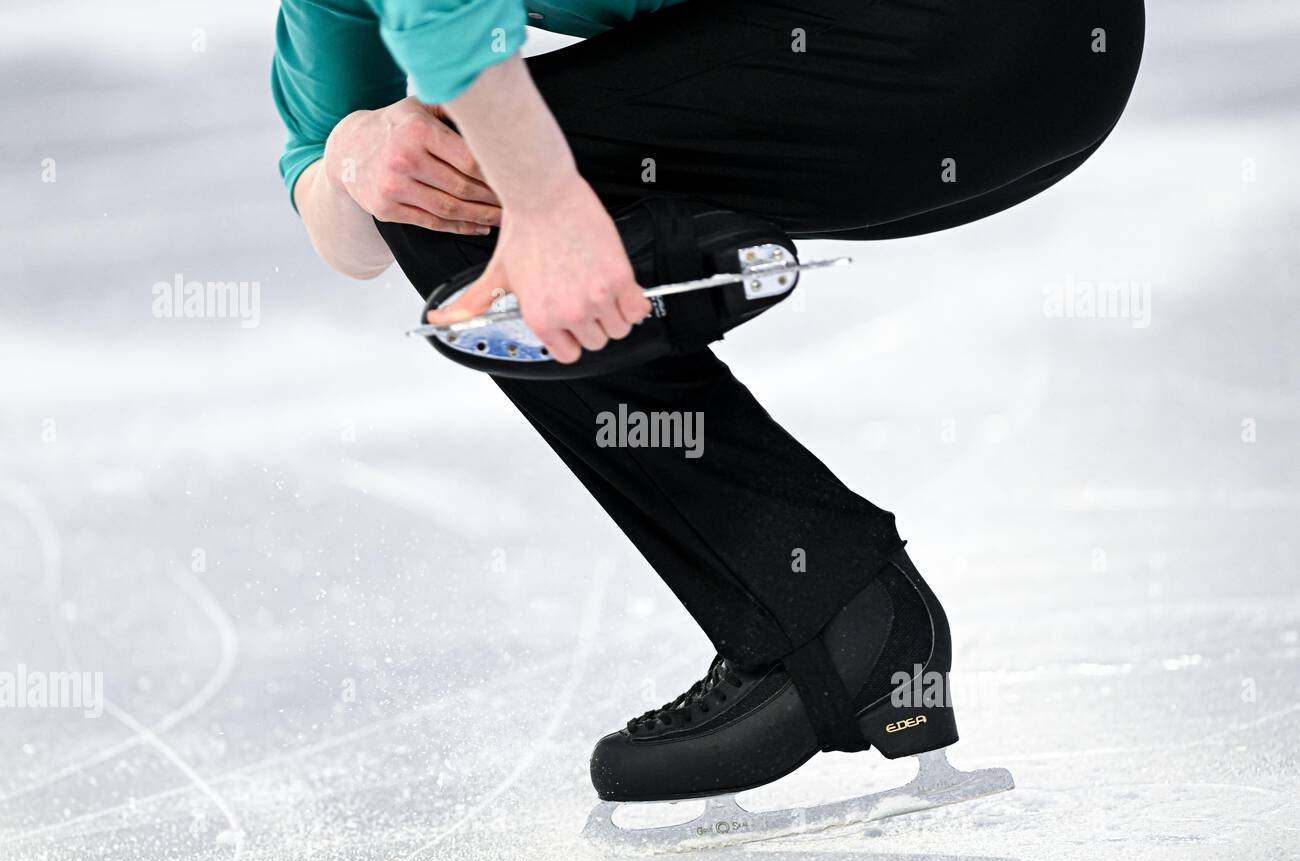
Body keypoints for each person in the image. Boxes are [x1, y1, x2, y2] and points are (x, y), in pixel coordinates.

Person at [273, 0, 1145, 805]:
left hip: (975, 30)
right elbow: (342, 217)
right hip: (1012, 83)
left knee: (488, 167)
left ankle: (825, 615)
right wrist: (356, 152)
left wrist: (546, 205)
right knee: (442, 179)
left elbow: (447, 25)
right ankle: (833, 610)